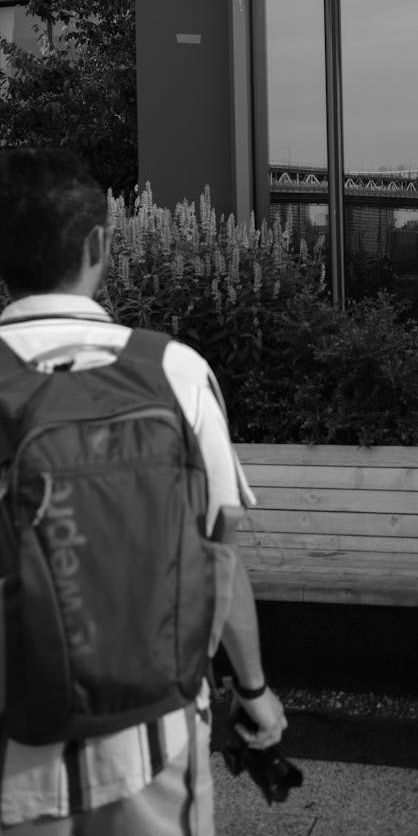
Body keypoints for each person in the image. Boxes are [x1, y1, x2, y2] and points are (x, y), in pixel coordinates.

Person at [0, 147, 287, 835]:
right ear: (100, 243)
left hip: (15, 738)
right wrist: (254, 692)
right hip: (154, 733)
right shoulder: (173, 369)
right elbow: (221, 556)